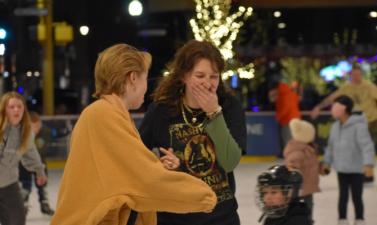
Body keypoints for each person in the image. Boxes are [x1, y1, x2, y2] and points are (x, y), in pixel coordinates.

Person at [50, 43, 217, 225]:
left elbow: (123, 176)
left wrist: (155, 167)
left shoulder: (111, 114)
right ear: (133, 78)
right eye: (146, 78)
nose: (147, 88)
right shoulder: (102, 115)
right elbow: (145, 179)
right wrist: (203, 196)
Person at [139, 40, 246, 225]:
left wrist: (214, 113)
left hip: (221, 217)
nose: (207, 83)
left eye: (213, 76)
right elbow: (137, 157)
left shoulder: (229, 107)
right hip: (172, 218)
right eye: (200, 76)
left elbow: (230, 162)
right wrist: (159, 164)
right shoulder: (161, 110)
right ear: (184, 76)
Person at [321, 95, 375, 225]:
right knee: (343, 196)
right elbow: (330, 146)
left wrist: (368, 164)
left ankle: (360, 219)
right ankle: (342, 219)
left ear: (344, 108)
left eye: (336, 105)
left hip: (356, 169)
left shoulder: (358, 126)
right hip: (341, 168)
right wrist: (326, 162)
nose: (333, 108)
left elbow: (367, 146)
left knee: (357, 196)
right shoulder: (335, 126)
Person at [0, 91, 47, 225]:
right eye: (12, 107)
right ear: (4, 110)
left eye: (19, 107)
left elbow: (31, 154)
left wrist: (40, 172)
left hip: (9, 184)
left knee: (17, 218)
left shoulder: (26, 132)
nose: (16, 110)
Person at [310, 64, 377, 155]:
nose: (356, 77)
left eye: (358, 75)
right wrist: (318, 107)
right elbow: (331, 98)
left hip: (370, 119)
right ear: (350, 76)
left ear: (361, 75)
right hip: (355, 121)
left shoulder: (369, 86)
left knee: (366, 144)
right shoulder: (347, 87)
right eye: (354, 75)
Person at [283, 118, 320, 223]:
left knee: (308, 206)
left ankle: (306, 221)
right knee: (301, 207)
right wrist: (292, 169)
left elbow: (312, 164)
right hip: (300, 189)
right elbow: (291, 166)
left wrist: (321, 168)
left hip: (306, 187)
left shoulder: (307, 149)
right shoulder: (298, 152)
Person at [19, 111, 54, 216]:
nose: (36, 129)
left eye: (38, 126)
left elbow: (43, 149)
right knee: (26, 185)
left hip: (40, 164)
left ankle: (44, 204)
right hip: (24, 164)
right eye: (33, 126)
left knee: (42, 185)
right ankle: (23, 205)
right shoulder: (22, 133)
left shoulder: (46, 132)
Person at [268, 81, 301, 155]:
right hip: (294, 119)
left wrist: (278, 117)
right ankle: (293, 154)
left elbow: (285, 109)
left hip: (288, 120)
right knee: (292, 138)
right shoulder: (288, 93)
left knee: (288, 139)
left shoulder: (284, 96)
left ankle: (290, 155)